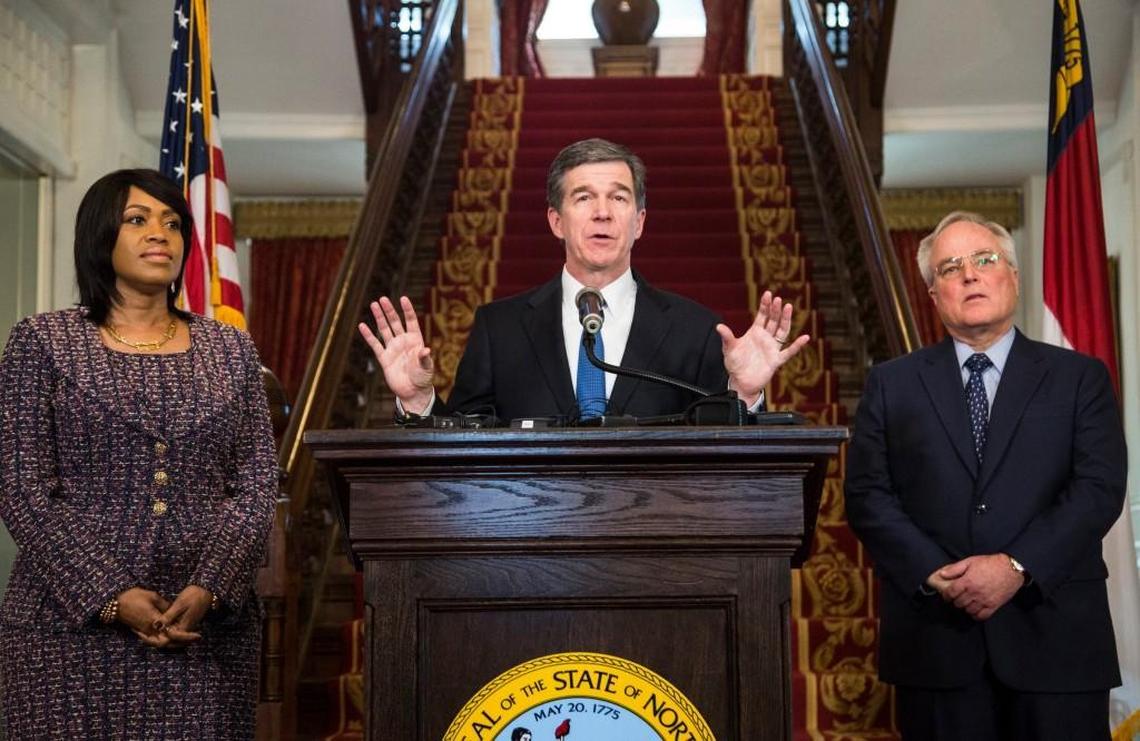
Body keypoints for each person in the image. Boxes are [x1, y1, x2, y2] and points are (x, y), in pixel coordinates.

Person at [0, 169, 278, 738]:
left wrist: (211, 586)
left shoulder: (230, 349)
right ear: (100, 236)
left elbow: (255, 486)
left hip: (205, 632)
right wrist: (110, 595)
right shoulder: (42, 342)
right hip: (67, 633)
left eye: (173, 224)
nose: (161, 234)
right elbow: (21, 489)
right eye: (138, 219)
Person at [844, 211, 1127, 740]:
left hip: (1056, 639)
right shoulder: (892, 384)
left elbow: (1098, 488)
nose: (969, 275)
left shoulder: (1079, 378)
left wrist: (1017, 565)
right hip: (937, 643)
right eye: (950, 268)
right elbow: (866, 496)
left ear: (1013, 277)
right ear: (933, 295)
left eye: (985, 259)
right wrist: (937, 574)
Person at [360, 138, 811, 420]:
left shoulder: (697, 329)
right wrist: (419, 401)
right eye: (584, 197)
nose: (602, 212)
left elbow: (726, 459)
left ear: (639, 222)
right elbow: (459, 447)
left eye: (619, 197)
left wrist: (744, 394)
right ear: (556, 221)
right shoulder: (500, 328)